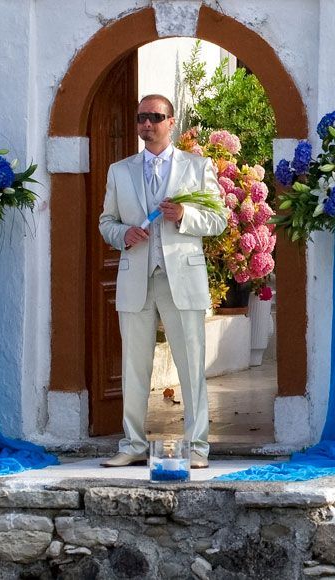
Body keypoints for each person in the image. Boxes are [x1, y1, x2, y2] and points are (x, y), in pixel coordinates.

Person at [98, 94, 227, 469]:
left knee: (191, 364)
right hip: (136, 278)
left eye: (155, 116)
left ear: (172, 122)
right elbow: (106, 222)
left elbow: (218, 220)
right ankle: (133, 444)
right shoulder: (119, 171)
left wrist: (186, 214)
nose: (147, 124)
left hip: (181, 278)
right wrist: (123, 234)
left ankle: (198, 447)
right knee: (134, 367)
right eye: (141, 117)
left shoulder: (197, 166)